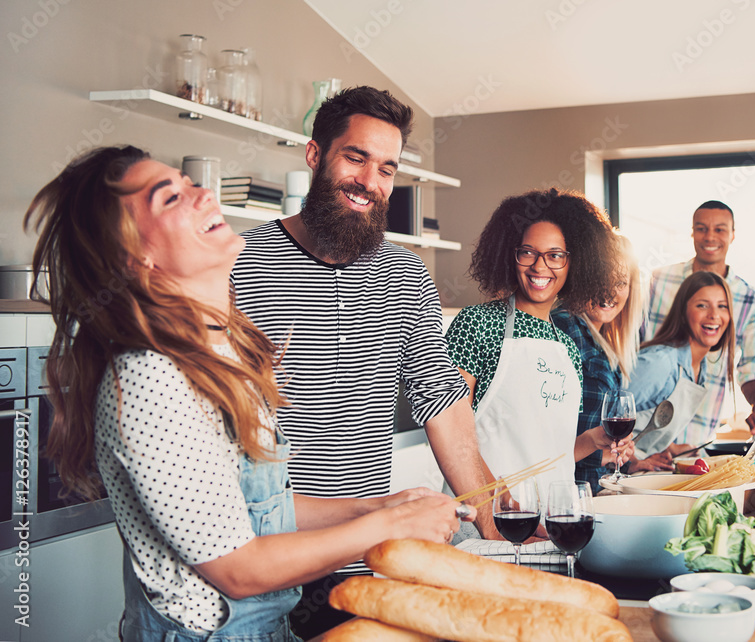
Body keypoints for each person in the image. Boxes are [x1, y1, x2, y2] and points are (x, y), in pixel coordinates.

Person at [25, 146, 473, 641]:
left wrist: (380, 507)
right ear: (135, 259)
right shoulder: (149, 379)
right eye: (171, 198)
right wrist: (389, 527)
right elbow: (239, 569)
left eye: (188, 182)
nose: (203, 195)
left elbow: (254, 511)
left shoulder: (223, 350)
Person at [229, 87, 495, 635]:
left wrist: (496, 524)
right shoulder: (236, 263)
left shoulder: (407, 273)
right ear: (314, 155)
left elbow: (443, 403)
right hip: (260, 554)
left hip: (366, 556)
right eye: (356, 158)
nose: (370, 182)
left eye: (386, 168)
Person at [446, 188, 631, 499]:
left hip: (553, 519)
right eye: (528, 252)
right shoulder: (475, 324)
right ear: (510, 254)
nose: (540, 267)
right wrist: (496, 508)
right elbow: (451, 434)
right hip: (486, 518)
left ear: (576, 262)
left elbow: (546, 457)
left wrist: (592, 440)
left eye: (555, 255)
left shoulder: (567, 348)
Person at [642, 200, 755, 441]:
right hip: (645, 429)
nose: (710, 237)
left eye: (720, 229)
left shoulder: (753, 301)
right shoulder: (659, 280)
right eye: (701, 228)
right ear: (692, 232)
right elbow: (635, 341)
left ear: (732, 235)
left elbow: (753, 366)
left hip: (697, 433)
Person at [551, 233, 645, 493]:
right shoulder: (565, 326)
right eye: (600, 278)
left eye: (621, 282)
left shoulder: (604, 340)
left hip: (594, 490)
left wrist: (625, 458)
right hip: (564, 494)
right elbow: (541, 437)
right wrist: (598, 453)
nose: (609, 292)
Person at [627, 271, 737, 469]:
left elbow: (644, 424)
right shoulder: (659, 362)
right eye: (702, 305)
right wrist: (633, 462)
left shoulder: (699, 368)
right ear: (683, 313)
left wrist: (670, 447)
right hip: (615, 476)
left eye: (722, 306)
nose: (714, 315)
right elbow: (605, 421)